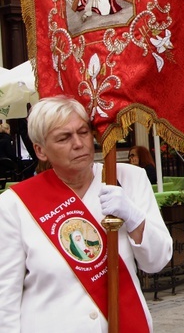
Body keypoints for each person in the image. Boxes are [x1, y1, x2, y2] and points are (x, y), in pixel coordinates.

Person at [0, 96, 172, 332]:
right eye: (64, 138)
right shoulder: (14, 205)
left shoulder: (129, 179)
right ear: (40, 151)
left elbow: (157, 261)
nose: (79, 143)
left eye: (83, 132)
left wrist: (135, 218)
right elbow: (4, 297)